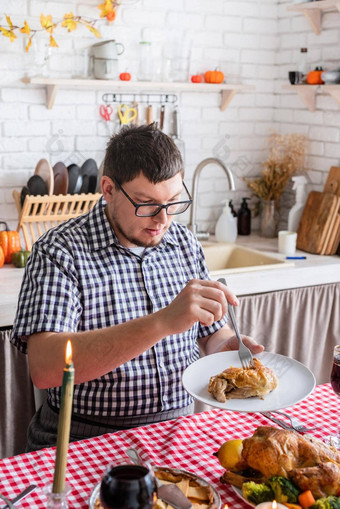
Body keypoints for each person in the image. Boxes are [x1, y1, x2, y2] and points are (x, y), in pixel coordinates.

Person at [11, 123, 263, 451]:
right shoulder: (60, 251)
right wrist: (162, 323)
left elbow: (212, 333)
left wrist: (226, 347)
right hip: (82, 440)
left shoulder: (183, 242)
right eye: (147, 204)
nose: (162, 220)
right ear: (109, 189)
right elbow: (45, 368)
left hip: (179, 430)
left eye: (173, 202)